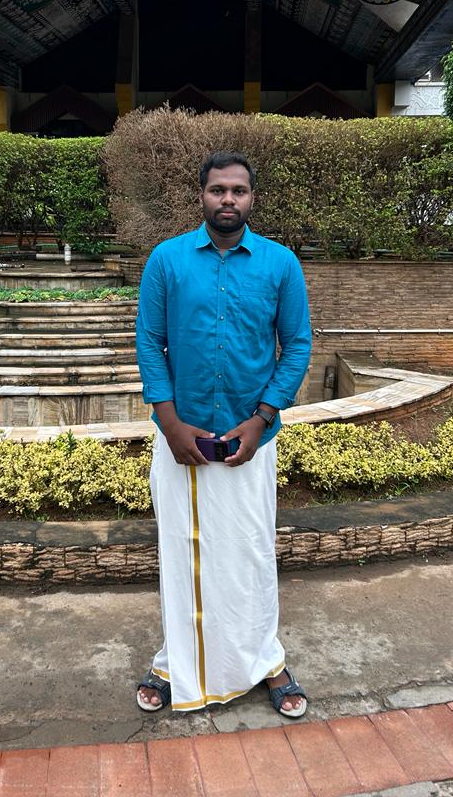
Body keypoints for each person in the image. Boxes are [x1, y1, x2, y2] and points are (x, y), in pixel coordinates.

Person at [134, 151, 312, 718]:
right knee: (182, 555)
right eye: (218, 190)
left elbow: (297, 345)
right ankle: (175, 661)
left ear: (251, 198)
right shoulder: (166, 260)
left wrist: (262, 419)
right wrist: (169, 423)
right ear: (202, 196)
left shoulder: (280, 264)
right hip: (180, 438)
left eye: (238, 190)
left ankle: (266, 660)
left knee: (250, 554)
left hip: (249, 441)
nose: (228, 199)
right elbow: (149, 341)